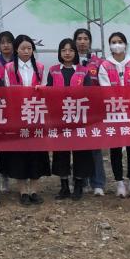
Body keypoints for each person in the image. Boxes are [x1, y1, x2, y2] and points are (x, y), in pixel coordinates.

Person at [2, 34, 51, 205]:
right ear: (16, 49)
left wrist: (41, 90)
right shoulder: (9, 68)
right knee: (20, 153)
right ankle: (23, 190)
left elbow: (46, 87)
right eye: (23, 48)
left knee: (36, 152)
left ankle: (34, 190)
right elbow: (7, 90)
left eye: (29, 48)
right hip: (17, 115)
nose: (26, 51)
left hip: (36, 114)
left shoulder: (40, 67)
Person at [49, 38, 94, 200]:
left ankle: (79, 185)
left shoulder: (84, 71)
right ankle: (64, 186)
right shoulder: (53, 70)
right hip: (60, 117)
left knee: (81, 151)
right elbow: (48, 92)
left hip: (79, 117)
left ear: (75, 52)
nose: (67, 53)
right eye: (64, 50)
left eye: (70, 50)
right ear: (60, 52)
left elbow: (90, 94)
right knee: (61, 152)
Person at [102, 31, 130, 199]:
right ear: (109, 45)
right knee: (116, 148)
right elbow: (105, 89)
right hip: (114, 112)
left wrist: (128, 101)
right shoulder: (105, 65)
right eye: (113, 42)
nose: (117, 45)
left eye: (120, 41)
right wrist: (118, 101)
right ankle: (119, 183)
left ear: (125, 44)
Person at [74, 26, 111, 196]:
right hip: (75, 109)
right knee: (79, 146)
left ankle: (98, 183)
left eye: (85, 39)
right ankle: (81, 181)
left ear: (90, 42)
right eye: (79, 39)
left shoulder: (99, 62)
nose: (82, 42)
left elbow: (104, 85)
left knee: (95, 146)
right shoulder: (70, 61)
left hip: (94, 110)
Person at [0, 31, 16, 193]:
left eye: (8, 42)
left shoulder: (19, 61)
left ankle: (16, 174)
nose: (6, 45)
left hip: (16, 106)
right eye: (2, 42)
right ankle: (2, 176)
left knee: (13, 142)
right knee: (0, 143)